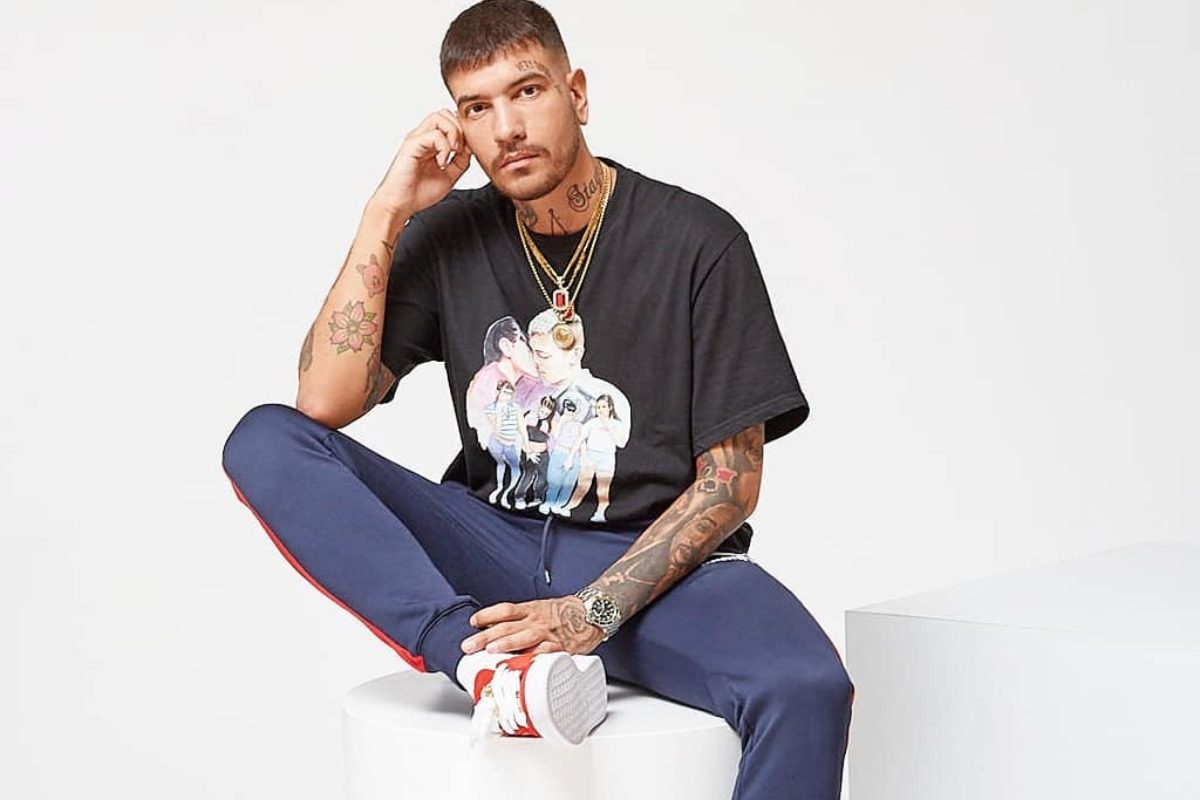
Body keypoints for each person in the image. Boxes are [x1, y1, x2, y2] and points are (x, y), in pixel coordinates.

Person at [221, 0, 854, 796]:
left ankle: (522, 650)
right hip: (490, 544)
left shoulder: (697, 241)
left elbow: (729, 485)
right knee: (265, 438)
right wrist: (386, 211)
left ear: (576, 94)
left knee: (807, 688)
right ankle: (483, 667)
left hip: (653, 565)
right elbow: (321, 401)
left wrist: (589, 614)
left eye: (527, 92)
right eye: (476, 108)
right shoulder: (446, 235)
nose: (507, 128)